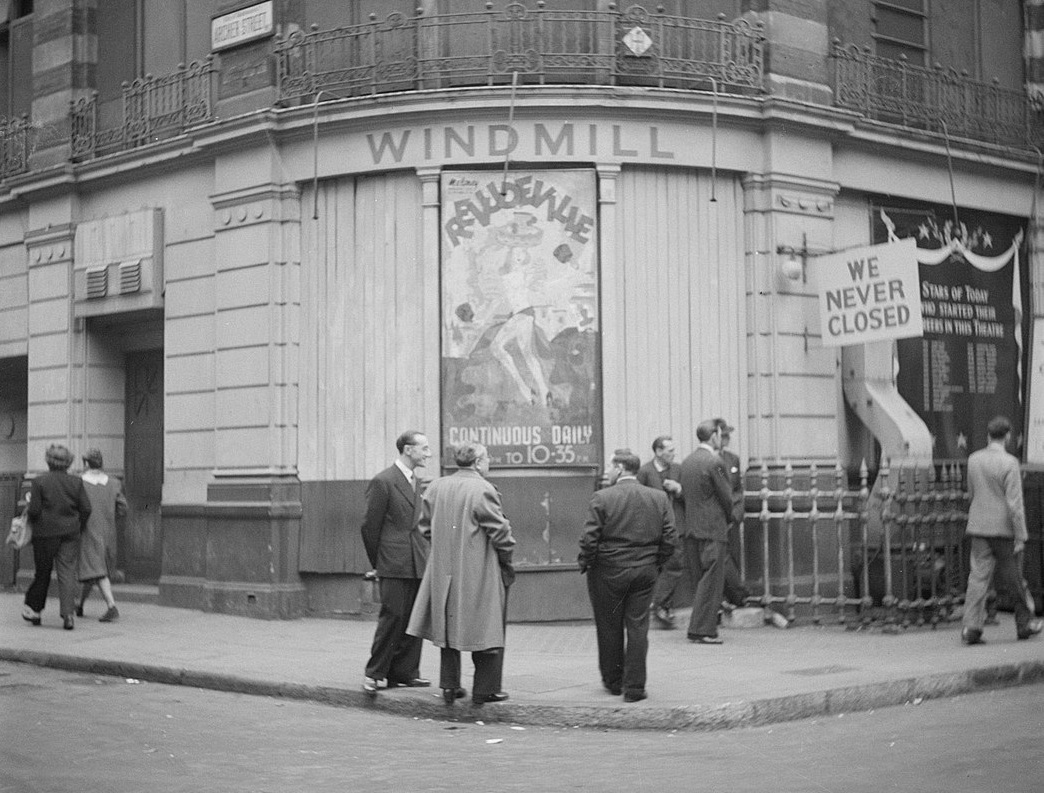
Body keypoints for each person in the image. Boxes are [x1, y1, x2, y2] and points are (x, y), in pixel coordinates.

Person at [407, 442, 516, 707]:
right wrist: (507, 557)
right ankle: (485, 689)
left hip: (443, 566)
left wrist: (446, 544)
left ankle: (449, 686)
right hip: (478, 566)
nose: (489, 463)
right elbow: (500, 533)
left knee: (447, 623)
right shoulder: (483, 489)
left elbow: (424, 527)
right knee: (487, 625)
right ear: (478, 463)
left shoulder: (435, 486)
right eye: (487, 458)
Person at [580, 450, 676, 703]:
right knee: (638, 627)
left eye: (611, 467)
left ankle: (613, 681)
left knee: (609, 626)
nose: (608, 472)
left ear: (620, 468)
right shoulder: (658, 497)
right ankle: (635, 687)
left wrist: (589, 563)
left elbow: (590, 539)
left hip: (609, 571)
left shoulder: (602, 498)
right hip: (645, 570)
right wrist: (656, 564)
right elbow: (670, 538)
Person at [360, 430, 433, 695]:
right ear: (408, 450)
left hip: (416, 560)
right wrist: (379, 561)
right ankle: (374, 673)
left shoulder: (416, 481)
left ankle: (404, 673)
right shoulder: (384, 481)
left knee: (415, 617)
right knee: (393, 616)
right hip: (393, 561)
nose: (429, 453)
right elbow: (369, 527)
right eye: (424, 448)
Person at [961, 416, 1043, 645]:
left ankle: (971, 627)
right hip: (1004, 530)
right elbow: (1015, 505)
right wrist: (1021, 534)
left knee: (977, 579)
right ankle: (1024, 624)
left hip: (978, 526)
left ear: (988, 435)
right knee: (1015, 579)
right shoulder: (1010, 463)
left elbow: (971, 493)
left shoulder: (973, 459)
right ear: (1007, 436)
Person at [22, 444, 92, 630]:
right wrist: (78, 526)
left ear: (49, 461)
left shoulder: (40, 482)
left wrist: (31, 517)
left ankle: (35, 611)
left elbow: (35, 510)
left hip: (45, 534)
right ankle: (68, 616)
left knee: (43, 572)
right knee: (67, 574)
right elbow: (86, 508)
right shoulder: (76, 482)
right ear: (68, 462)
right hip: (70, 533)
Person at [678, 420, 733, 644]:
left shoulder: (687, 462)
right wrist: (727, 519)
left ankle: (700, 628)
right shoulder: (715, 461)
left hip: (692, 528)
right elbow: (726, 497)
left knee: (701, 580)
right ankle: (703, 630)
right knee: (712, 581)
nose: (721, 438)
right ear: (713, 436)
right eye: (720, 434)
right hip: (712, 529)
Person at [636, 435, 686, 628]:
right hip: (653, 528)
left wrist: (679, 489)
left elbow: (690, 497)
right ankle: (662, 604)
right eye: (669, 450)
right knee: (653, 567)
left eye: (674, 450)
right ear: (658, 451)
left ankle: (661, 604)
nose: (674, 454)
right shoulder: (645, 472)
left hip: (675, 526)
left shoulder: (678, 470)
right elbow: (638, 499)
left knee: (674, 565)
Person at [76, 448, 128, 623]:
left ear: (85, 463)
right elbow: (122, 508)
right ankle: (80, 605)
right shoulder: (113, 483)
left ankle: (111, 606)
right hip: (108, 531)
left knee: (96, 570)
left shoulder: (79, 483)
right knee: (95, 569)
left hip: (87, 531)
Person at [714, 419, 750, 611]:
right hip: (715, 517)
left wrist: (736, 513)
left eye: (728, 435)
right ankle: (729, 597)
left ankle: (732, 597)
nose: (727, 438)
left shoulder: (733, 459)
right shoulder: (708, 459)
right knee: (718, 558)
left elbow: (737, 490)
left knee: (732, 556)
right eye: (723, 435)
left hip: (732, 518)